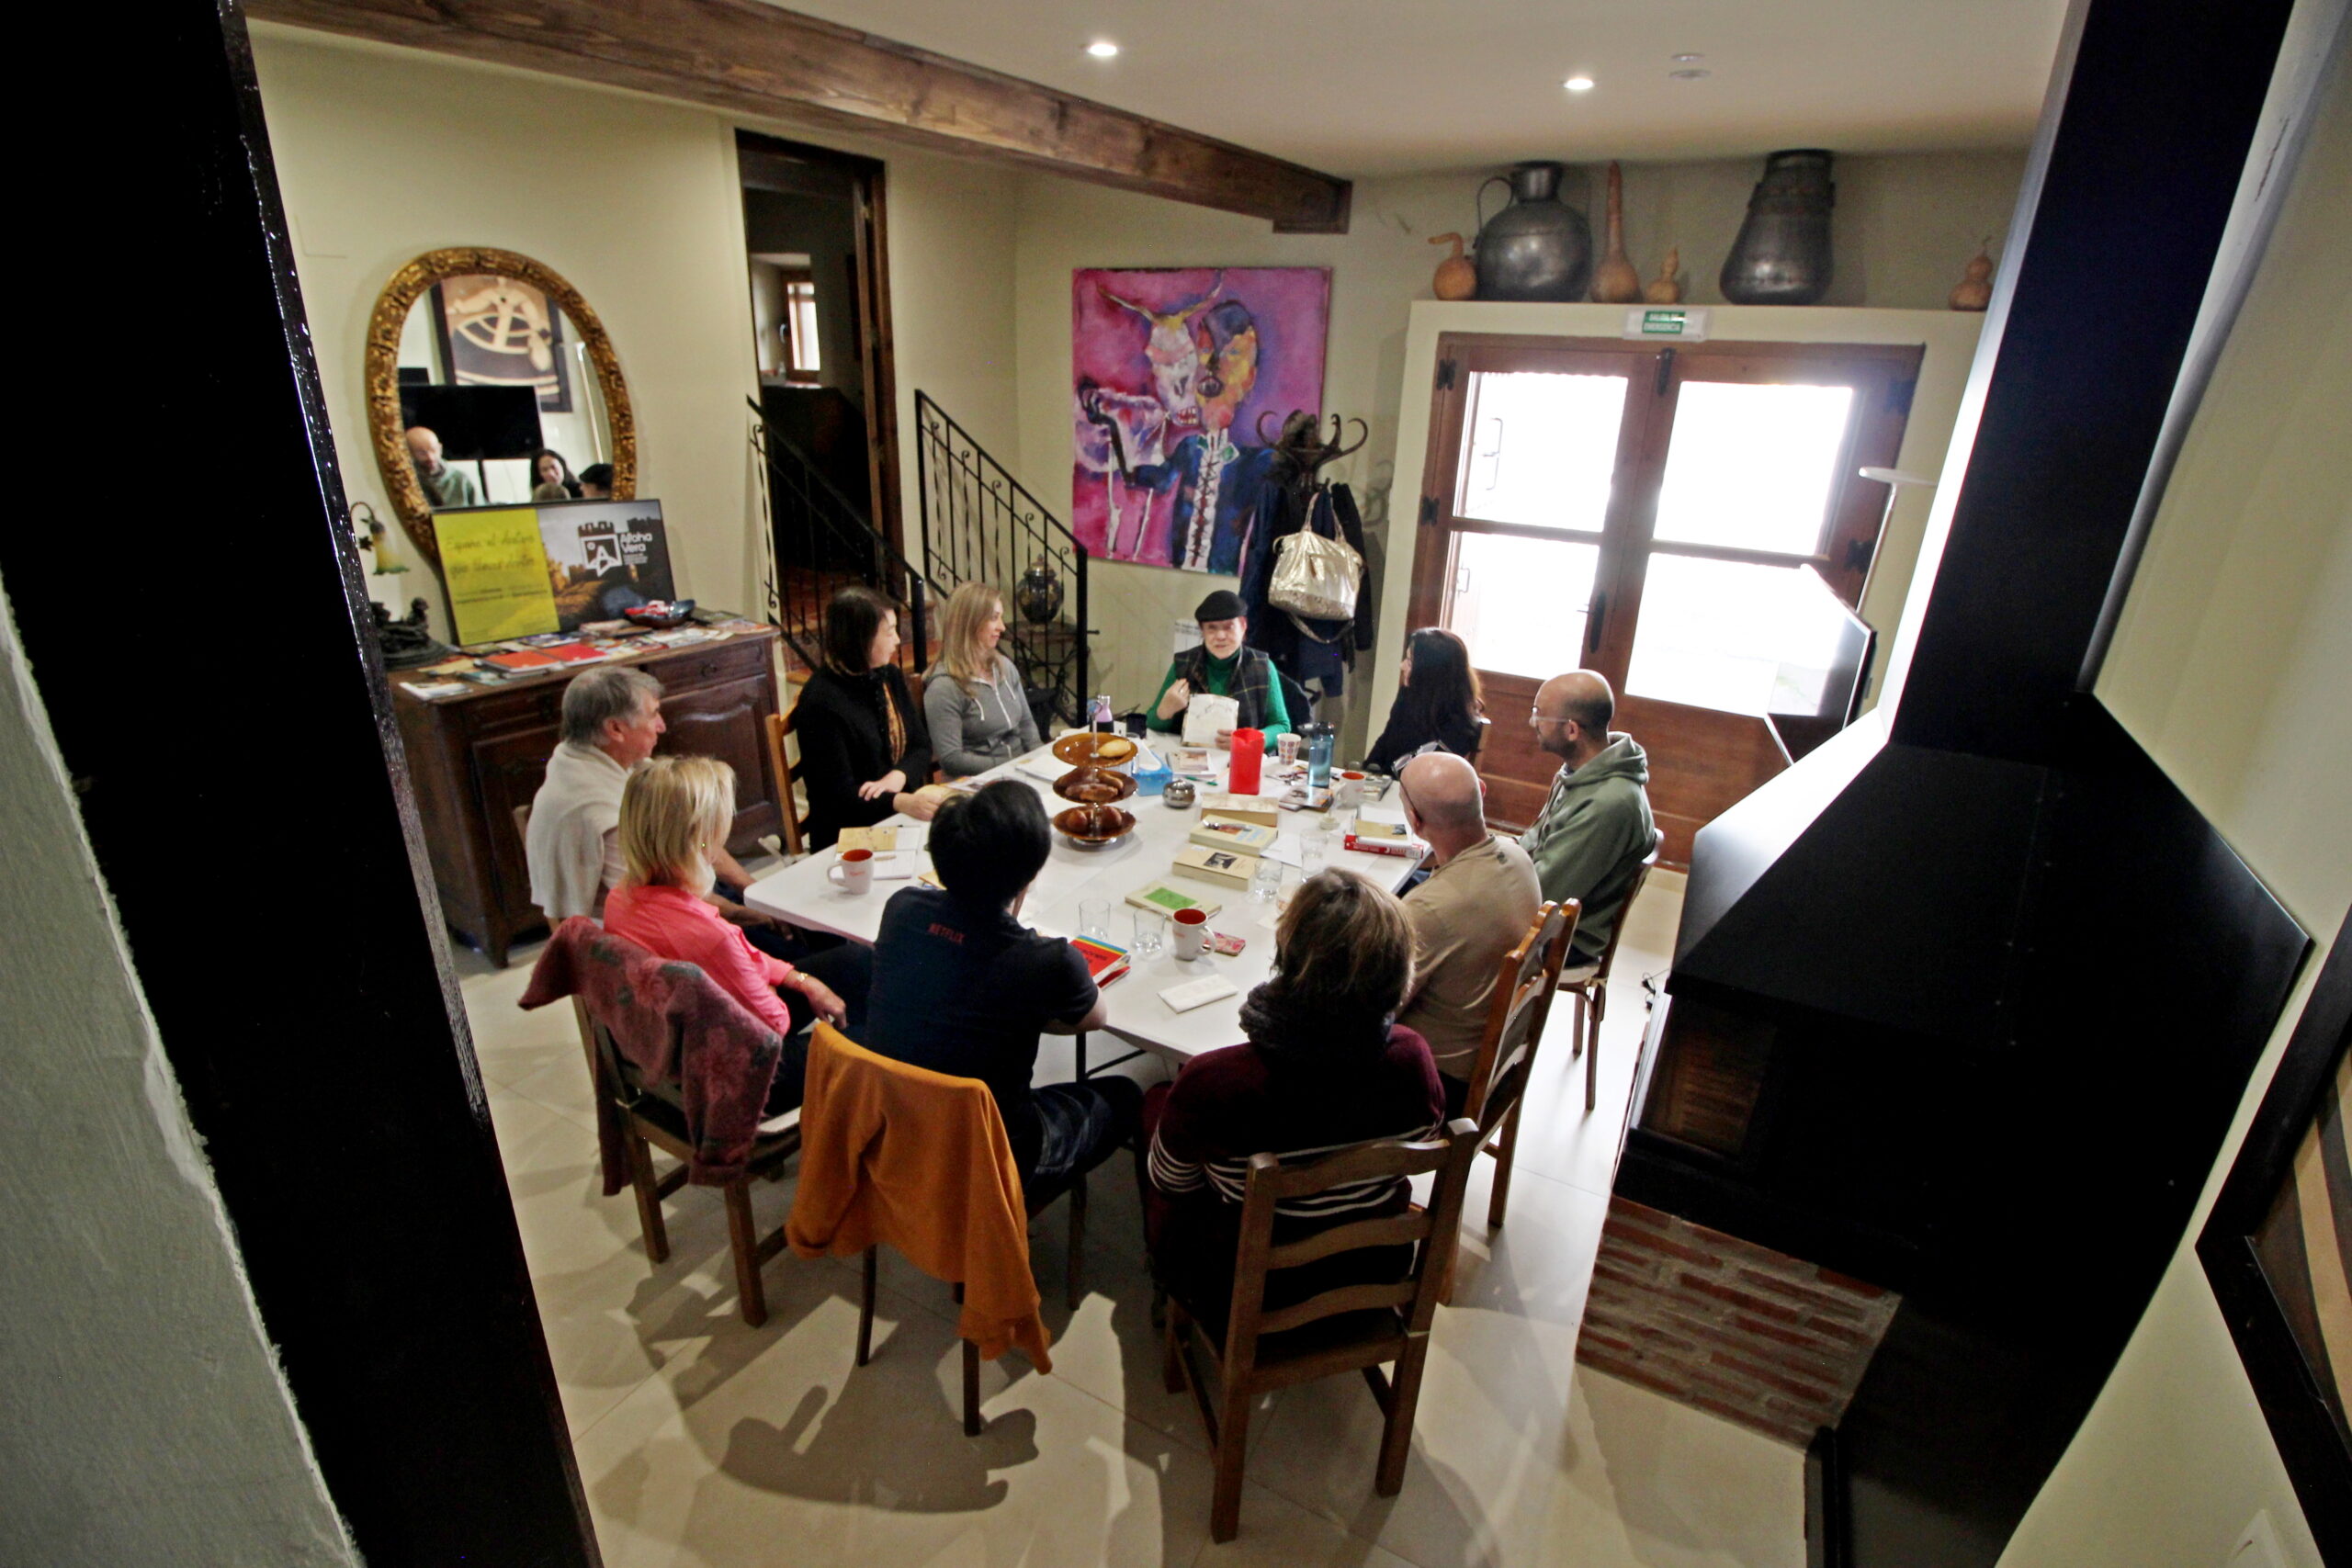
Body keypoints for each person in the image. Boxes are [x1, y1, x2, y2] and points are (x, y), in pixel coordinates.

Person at [1143, 869, 1444, 1335]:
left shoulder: (1215, 1082)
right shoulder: (1411, 1061)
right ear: (1397, 972)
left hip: (1240, 1291)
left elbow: (1171, 1183)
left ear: (1286, 958)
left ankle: (1166, 1290)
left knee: (1153, 1106)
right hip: (1371, 1272)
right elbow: (1423, 1140)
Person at [860, 782, 1141, 1190]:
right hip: (993, 1158)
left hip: (895, 1130)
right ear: (1032, 871)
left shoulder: (902, 908)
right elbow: (1095, 1018)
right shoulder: (1046, 959)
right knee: (1125, 1094)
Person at [603, 757, 871, 1113]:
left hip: (698, 1037)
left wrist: (800, 979)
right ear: (695, 842)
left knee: (858, 961)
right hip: (747, 1074)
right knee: (884, 1037)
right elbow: (776, 1022)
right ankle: (859, 1115)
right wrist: (771, 989)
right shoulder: (705, 933)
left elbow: (743, 956)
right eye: (714, 838)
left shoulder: (621, 897)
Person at [524, 666, 797, 950]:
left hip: (687, 889)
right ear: (615, 729)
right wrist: (749, 914)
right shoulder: (602, 812)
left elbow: (700, 840)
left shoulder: (606, 760)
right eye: (653, 714)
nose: (662, 725)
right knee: (800, 947)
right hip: (647, 936)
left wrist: (752, 890)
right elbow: (664, 902)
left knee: (795, 918)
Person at [1393, 753, 1543, 1109]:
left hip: (1436, 1081)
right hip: (1490, 1058)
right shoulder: (1517, 855)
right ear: (1482, 791)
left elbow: (1374, 1014)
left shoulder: (1429, 909)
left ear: (1415, 820)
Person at [1520, 671, 1657, 964]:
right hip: (1541, 908)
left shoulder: (1609, 803)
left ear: (1572, 730)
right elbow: (1534, 841)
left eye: (1539, 714)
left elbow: (1544, 894)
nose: (1533, 722)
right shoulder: (1582, 770)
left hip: (1563, 938)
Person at [792, 586, 938, 850]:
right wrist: (898, 800)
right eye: (889, 632)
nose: (897, 640)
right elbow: (837, 797)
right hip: (847, 836)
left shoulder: (888, 676)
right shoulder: (820, 702)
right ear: (861, 639)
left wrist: (898, 776)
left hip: (896, 817)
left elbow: (921, 745)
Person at [1146, 589, 1290, 751]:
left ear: (1243, 626)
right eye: (1212, 628)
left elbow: (1282, 727)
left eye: (1229, 627)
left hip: (1242, 759)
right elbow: (1151, 722)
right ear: (1202, 631)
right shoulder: (1184, 664)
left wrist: (1249, 740)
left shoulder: (1262, 666)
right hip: (1189, 757)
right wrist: (1164, 712)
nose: (1220, 636)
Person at [923, 581, 1041, 778]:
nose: (1002, 627)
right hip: (979, 781)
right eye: (994, 618)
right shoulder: (944, 686)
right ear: (970, 623)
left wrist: (1040, 761)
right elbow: (952, 760)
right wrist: (1013, 765)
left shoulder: (1005, 667)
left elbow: (1027, 725)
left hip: (1018, 772)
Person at [1365, 627, 1485, 773]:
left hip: (1417, 785)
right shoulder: (1408, 694)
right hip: (1388, 782)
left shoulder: (1460, 724)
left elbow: (1424, 772)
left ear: (1430, 673)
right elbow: (1385, 741)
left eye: (1409, 662)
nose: (1402, 666)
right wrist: (1366, 773)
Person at [405, 425, 481, 508]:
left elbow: (482, 511)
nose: (430, 457)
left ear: (440, 449)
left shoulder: (460, 479)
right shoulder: (406, 483)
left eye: (433, 450)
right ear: (408, 454)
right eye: (422, 453)